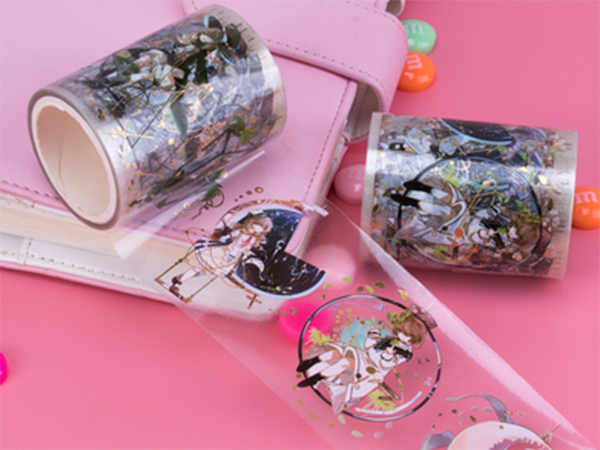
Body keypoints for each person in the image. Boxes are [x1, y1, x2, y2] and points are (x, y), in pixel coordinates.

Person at [297, 306, 430, 414]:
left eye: (408, 335)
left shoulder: (404, 352)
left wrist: (388, 355)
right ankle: (313, 362)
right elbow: (369, 346)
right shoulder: (391, 340)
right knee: (337, 352)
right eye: (401, 331)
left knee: (345, 362)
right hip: (363, 356)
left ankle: (316, 378)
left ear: (414, 338)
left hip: (371, 369)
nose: (402, 336)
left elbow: (384, 364)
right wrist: (374, 334)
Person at [168, 211, 273, 296]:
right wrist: (226, 235)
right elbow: (224, 238)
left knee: (208, 272)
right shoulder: (239, 232)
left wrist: (247, 255)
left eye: (263, 228)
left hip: (233, 258)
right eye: (258, 225)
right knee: (201, 267)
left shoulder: (253, 238)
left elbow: (244, 249)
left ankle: (179, 278)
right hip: (224, 252)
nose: (259, 229)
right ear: (251, 222)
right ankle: (177, 284)